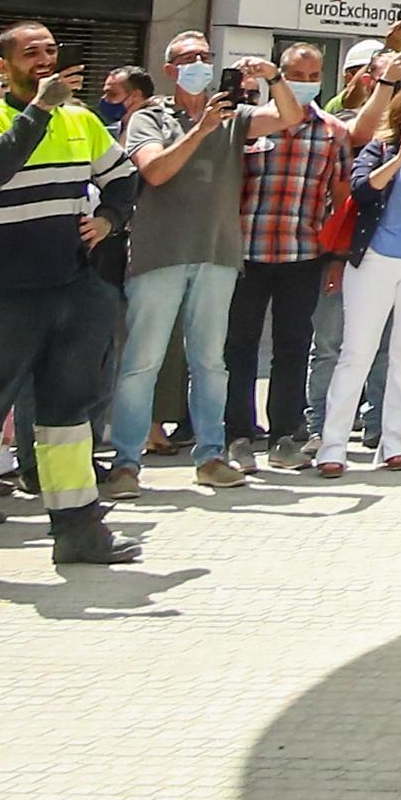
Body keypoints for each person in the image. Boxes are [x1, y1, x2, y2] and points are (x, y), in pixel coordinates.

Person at [0, 27, 137, 591]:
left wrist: (109, 221)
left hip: (71, 286)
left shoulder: (82, 120)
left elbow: (124, 178)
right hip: (5, 292)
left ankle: (78, 531)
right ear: (5, 65)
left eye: (50, 51)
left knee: (69, 415)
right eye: (31, 53)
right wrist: (39, 108)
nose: (45, 60)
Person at [105, 32, 252, 491]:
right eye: (189, 58)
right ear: (170, 70)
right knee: (141, 362)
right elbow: (155, 171)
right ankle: (126, 463)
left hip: (217, 253)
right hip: (160, 253)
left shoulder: (232, 115)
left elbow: (287, 116)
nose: (200, 64)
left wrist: (274, 78)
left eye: (206, 57)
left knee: (210, 362)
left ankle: (210, 456)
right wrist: (201, 129)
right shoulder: (149, 117)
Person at [317, 79, 401, 476]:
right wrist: (399, 159)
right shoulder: (379, 148)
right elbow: (361, 191)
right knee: (356, 353)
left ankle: (394, 440)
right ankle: (332, 446)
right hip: (374, 259)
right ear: (400, 114)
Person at [228, 44, 345, 466]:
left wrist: (336, 256)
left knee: (292, 347)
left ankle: (284, 437)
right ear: (277, 73)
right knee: (238, 349)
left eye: (314, 76)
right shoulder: (251, 124)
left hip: (303, 253)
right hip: (246, 252)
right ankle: (238, 436)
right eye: (297, 73)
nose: (306, 82)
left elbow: (340, 195)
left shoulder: (332, 131)